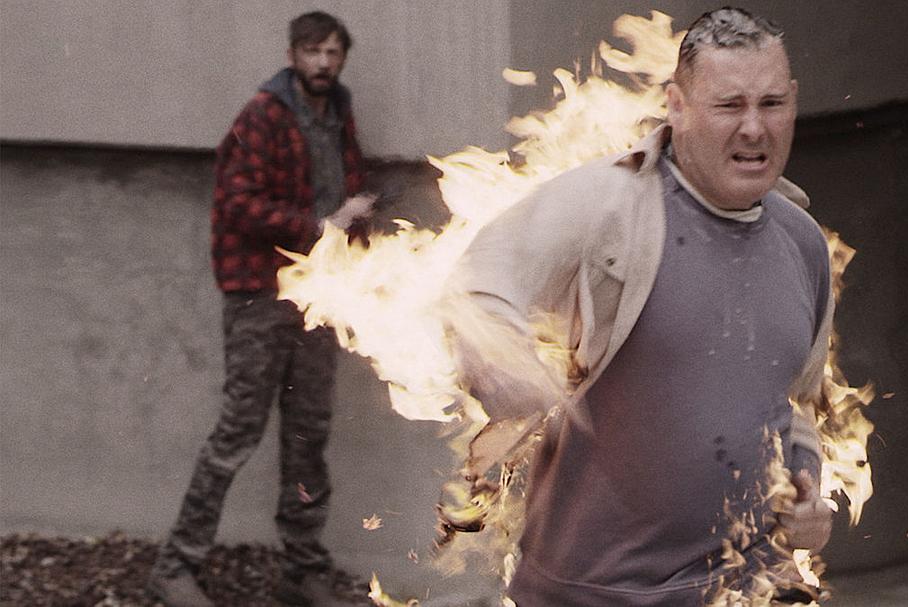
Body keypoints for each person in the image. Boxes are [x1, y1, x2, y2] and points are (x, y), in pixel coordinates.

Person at [447, 7, 834, 606]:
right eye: (729, 106)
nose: (755, 128)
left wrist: (807, 493)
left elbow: (796, 405)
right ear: (676, 105)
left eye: (772, 104)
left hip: (747, 586)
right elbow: (477, 286)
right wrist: (503, 368)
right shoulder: (604, 207)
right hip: (594, 595)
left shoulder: (803, 243)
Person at [148, 11, 375, 607]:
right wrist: (318, 226)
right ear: (292, 55)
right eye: (313, 51)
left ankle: (302, 570)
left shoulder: (339, 111)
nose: (323, 62)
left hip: (320, 297)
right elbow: (237, 202)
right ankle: (175, 567)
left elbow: (348, 191)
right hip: (260, 295)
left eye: (333, 52)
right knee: (237, 434)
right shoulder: (264, 115)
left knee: (309, 436)